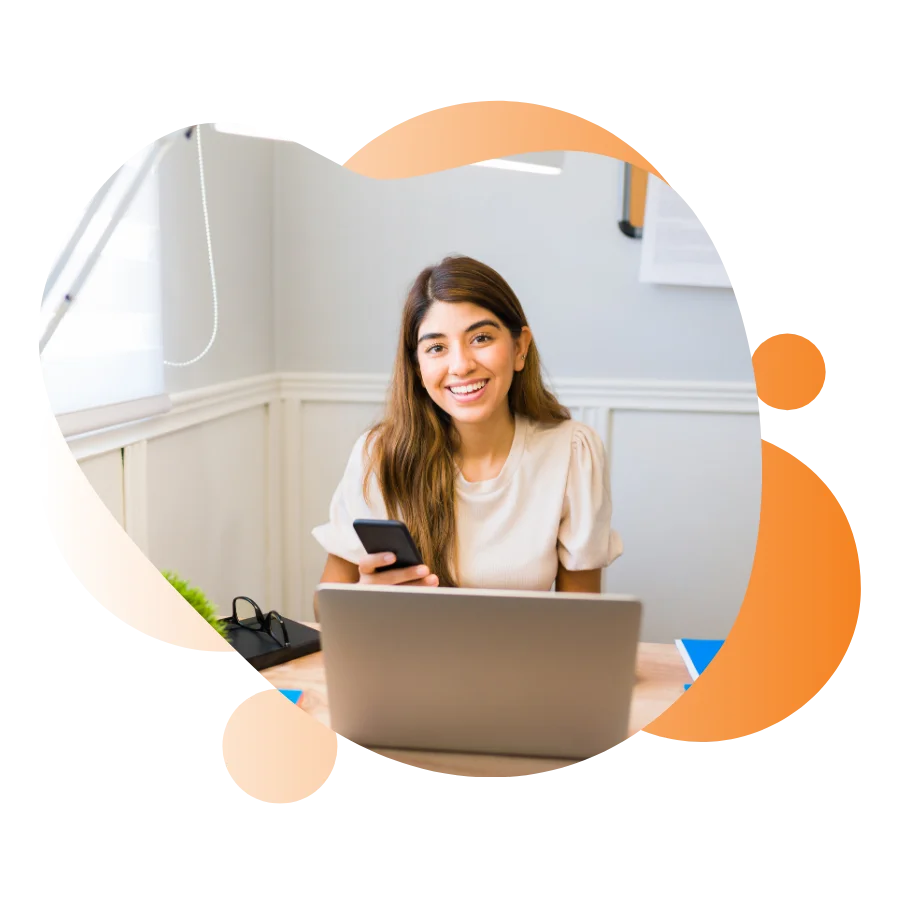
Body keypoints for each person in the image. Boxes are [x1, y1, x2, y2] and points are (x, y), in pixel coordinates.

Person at [311, 254, 622, 620]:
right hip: (410, 664)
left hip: (521, 668)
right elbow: (324, 608)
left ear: (520, 347)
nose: (461, 365)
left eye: (481, 338)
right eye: (436, 347)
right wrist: (362, 600)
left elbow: (582, 620)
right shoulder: (378, 455)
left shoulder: (572, 452)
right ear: (418, 367)